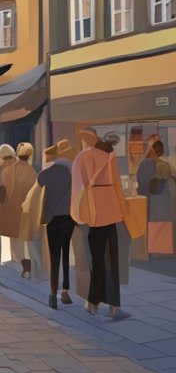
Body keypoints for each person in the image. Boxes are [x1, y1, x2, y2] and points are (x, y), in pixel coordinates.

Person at [72, 129, 128, 319]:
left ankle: (92, 302)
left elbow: (77, 189)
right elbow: (117, 186)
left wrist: (78, 215)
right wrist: (123, 212)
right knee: (111, 260)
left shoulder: (81, 158)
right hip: (111, 211)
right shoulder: (108, 156)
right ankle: (113, 305)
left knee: (95, 261)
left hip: (92, 213)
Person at [39, 139, 75, 309]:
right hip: (68, 217)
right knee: (66, 252)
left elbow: (39, 184)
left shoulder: (47, 173)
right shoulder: (70, 171)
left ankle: (53, 293)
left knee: (55, 255)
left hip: (52, 218)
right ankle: (65, 291)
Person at [2, 142, 41, 279]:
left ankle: (18, 263)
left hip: (12, 209)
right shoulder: (33, 172)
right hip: (28, 210)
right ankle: (27, 266)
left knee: (16, 239)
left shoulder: (7, 171)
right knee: (27, 241)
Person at [137, 135, 176, 258]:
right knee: (162, 226)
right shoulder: (164, 164)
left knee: (155, 226)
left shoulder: (145, 164)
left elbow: (141, 182)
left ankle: (156, 251)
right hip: (162, 203)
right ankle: (160, 250)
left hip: (152, 202)